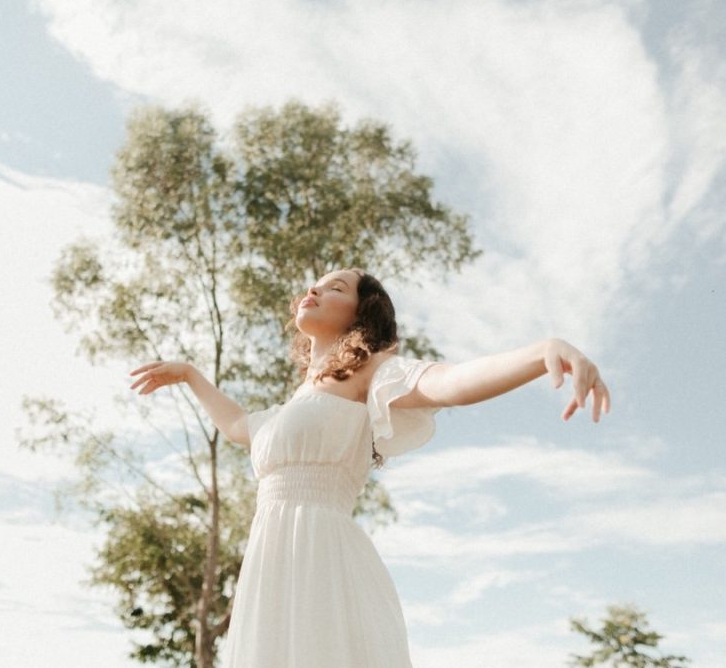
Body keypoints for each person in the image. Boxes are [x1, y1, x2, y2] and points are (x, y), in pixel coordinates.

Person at [128, 267, 610, 667]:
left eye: (335, 287)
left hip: (323, 559)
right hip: (270, 564)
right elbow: (237, 425)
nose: (313, 289)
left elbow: (452, 382)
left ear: (362, 313)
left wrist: (542, 350)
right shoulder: (294, 405)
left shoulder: (372, 370)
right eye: (314, 283)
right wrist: (190, 375)